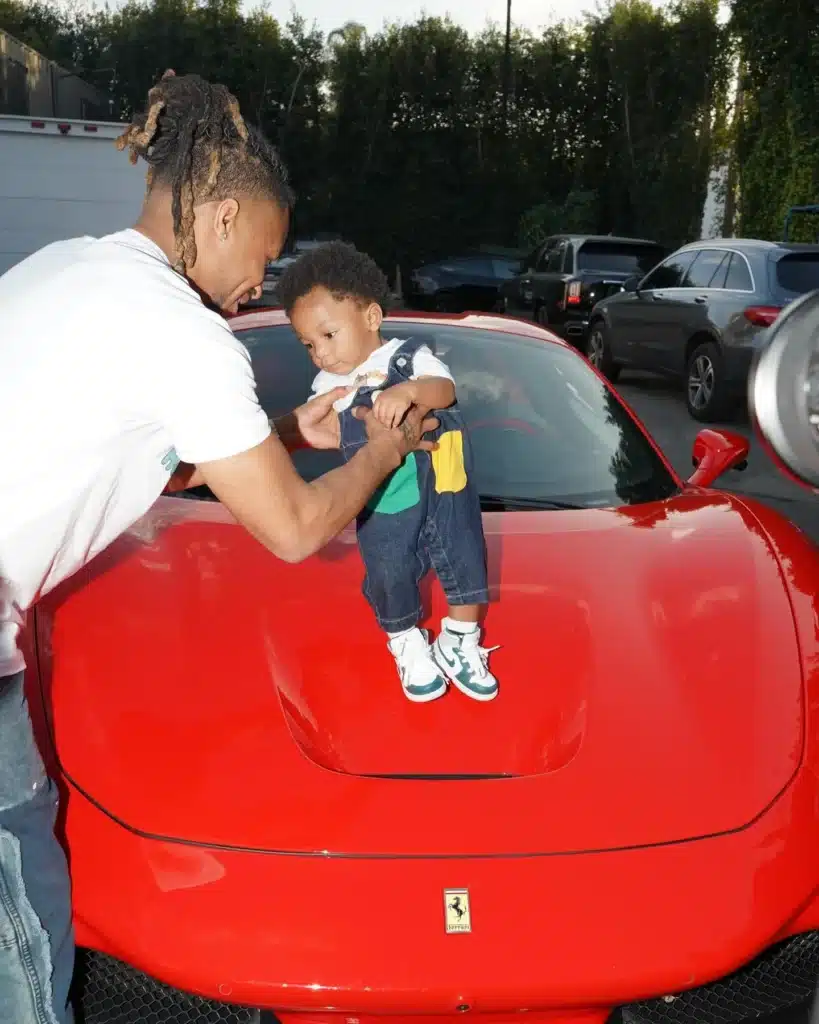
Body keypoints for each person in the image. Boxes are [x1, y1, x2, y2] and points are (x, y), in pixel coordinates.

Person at [0, 72, 438, 1024]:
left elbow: (168, 467)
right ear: (225, 212)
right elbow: (294, 529)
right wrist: (386, 447)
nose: (262, 284)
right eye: (267, 255)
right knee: (20, 920)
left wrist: (287, 434)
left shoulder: (66, 270)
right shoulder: (178, 328)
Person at [277, 241, 500, 704]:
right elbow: (345, 440)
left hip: (444, 477)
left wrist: (411, 392)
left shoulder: (409, 355)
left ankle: (459, 639)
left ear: (372, 318)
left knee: (465, 552)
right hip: (386, 492)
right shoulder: (328, 388)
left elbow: (444, 392)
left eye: (328, 335)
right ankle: (404, 638)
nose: (319, 353)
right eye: (308, 345)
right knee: (388, 564)